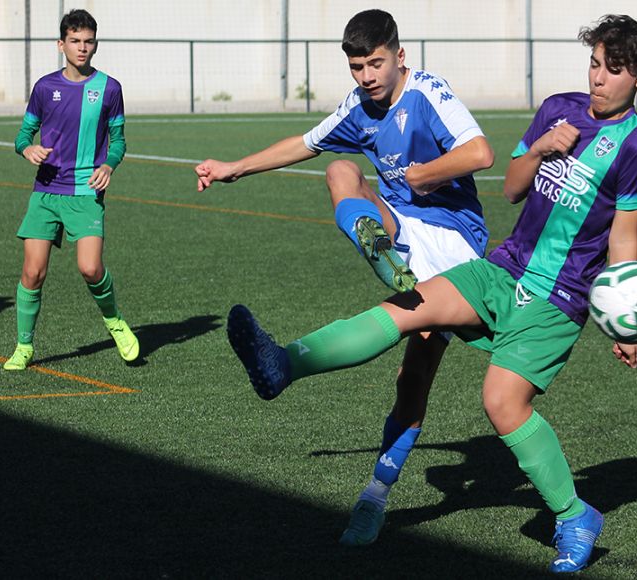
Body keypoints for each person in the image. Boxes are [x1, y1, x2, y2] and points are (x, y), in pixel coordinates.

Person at [225, 14, 637, 574]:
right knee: (408, 310)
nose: (599, 78)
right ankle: (282, 363)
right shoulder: (559, 107)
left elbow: (623, 237)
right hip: (502, 270)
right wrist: (542, 150)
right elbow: (510, 187)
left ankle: (575, 515)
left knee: (501, 403)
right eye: (595, 64)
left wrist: (625, 319)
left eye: (614, 70)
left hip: (560, 299)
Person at [195, 9, 494, 546]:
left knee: (414, 377)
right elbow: (306, 144)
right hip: (400, 226)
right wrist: (233, 167)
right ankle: (374, 249)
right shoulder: (358, 106)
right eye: (357, 67)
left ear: (400, 56)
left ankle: (374, 499)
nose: (366, 77)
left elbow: (481, 153)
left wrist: (423, 175)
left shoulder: (428, 90)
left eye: (375, 64)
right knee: (339, 169)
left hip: (455, 244)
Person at [3, 9, 138, 371]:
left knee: (91, 268)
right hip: (46, 191)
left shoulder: (109, 88)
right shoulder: (45, 88)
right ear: (61, 44)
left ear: (96, 44)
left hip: (85, 192)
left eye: (88, 41)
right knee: (33, 273)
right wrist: (27, 148)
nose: (82, 48)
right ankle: (24, 347)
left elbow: (119, 141)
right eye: (75, 41)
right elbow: (21, 136)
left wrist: (109, 164)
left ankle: (115, 322)